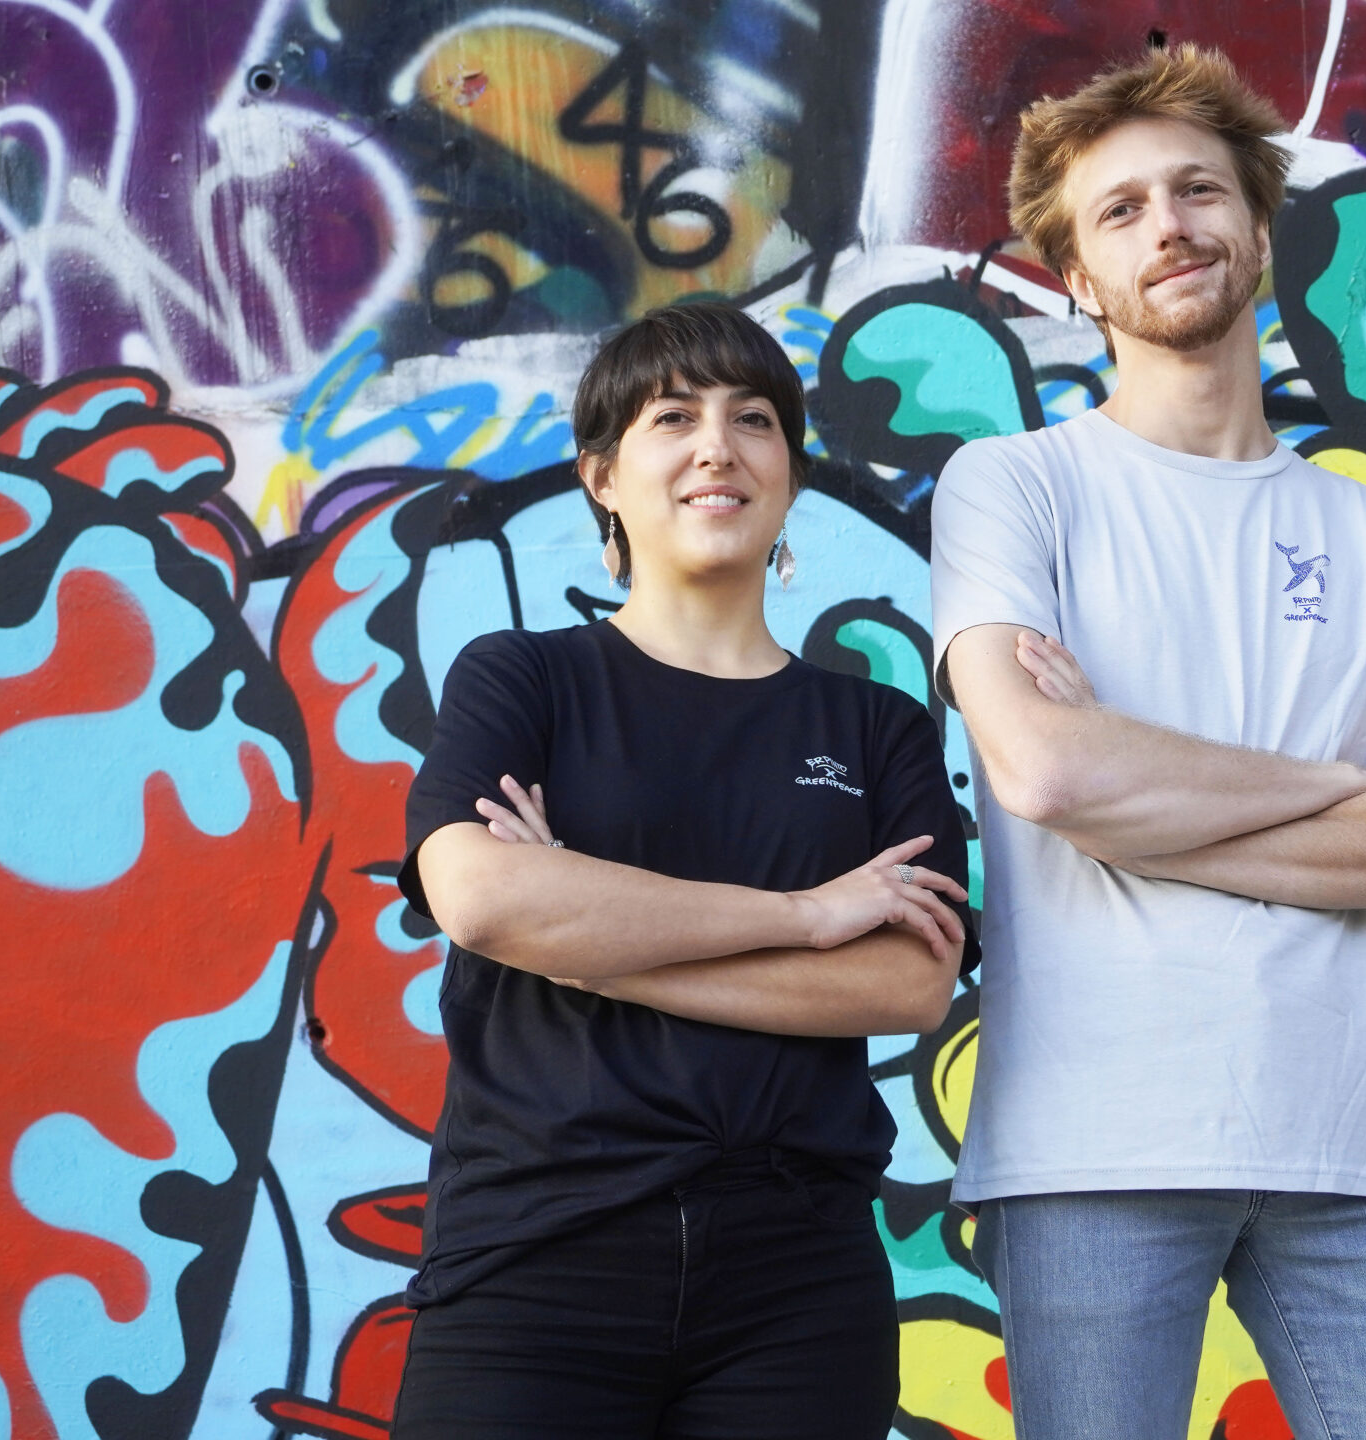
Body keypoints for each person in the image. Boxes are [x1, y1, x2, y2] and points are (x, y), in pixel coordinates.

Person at [927, 44, 1366, 1440]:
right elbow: (1047, 770)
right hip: (1092, 1148)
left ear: (1257, 226)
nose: (1168, 226)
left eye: (1198, 191)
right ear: (1078, 276)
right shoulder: (1014, 488)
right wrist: (1347, 797)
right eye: (1120, 210)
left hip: (1353, 1147)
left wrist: (1144, 803)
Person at [390, 301, 975, 1439]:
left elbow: (907, 982)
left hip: (796, 1285)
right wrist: (804, 916)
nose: (718, 446)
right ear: (601, 476)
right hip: (535, 1256)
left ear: (790, 477)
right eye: (673, 417)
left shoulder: (877, 727)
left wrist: (586, 943)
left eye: (753, 419)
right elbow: (483, 898)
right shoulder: (522, 680)